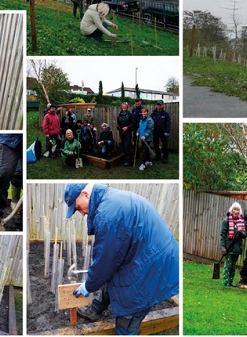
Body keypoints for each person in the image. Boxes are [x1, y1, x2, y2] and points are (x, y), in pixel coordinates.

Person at [65, 183, 178, 335]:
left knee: (128, 315)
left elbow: (105, 262)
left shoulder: (108, 216)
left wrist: (88, 286)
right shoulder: (111, 200)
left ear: (85, 194)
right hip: (148, 255)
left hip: (152, 267)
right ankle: (96, 309)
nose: (82, 213)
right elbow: (111, 264)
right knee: (115, 274)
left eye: (78, 208)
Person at [219, 202, 247, 287]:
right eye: (235, 209)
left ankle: (231, 281)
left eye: (238, 209)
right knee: (228, 265)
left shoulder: (241, 222)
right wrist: (223, 247)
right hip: (229, 247)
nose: (236, 211)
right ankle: (226, 281)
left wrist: (241, 233)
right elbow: (223, 235)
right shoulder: (226, 221)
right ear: (232, 210)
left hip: (237, 247)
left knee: (233, 266)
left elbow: (245, 235)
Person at [117, 102, 134, 166]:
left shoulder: (130, 114)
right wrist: (118, 127)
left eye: (125, 106)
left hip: (128, 132)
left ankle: (128, 160)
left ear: (127, 107)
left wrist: (127, 127)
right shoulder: (120, 114)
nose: (124, 107)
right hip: (122, 132)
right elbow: (118, 122)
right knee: (123, 146)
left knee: (127, 146)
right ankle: (124, 159)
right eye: (123, 106)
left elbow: (132, 124)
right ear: (121, 107)